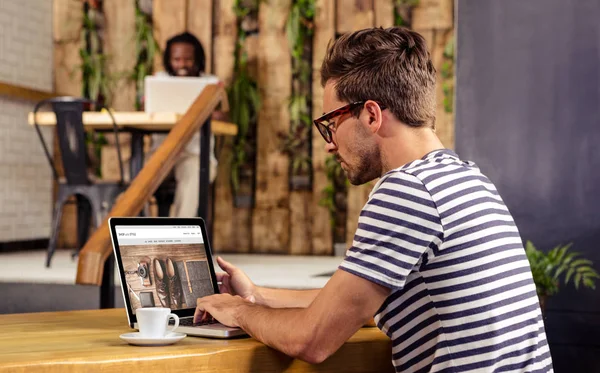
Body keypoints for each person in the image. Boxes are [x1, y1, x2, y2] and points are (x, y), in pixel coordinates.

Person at [194, 27, 552, 372]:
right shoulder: (465, 177)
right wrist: (256, 295)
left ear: (371, 114)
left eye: (330, 123)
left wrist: (236, 311)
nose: (329, 142)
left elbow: (312, 340)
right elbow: (358, 305)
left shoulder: (407, 191)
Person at [151, 32, 218, 217]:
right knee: (133, 177)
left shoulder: (210, 84)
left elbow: (222, 116)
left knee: (193, 178)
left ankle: (176, 241)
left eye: (188, 59)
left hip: (195, 156)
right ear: (169, 59)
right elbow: (145, 110)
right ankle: (123, 240)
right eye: (177, 59)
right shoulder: (159, 80)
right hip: (161, 155)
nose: (182, 65)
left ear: (198, 60)